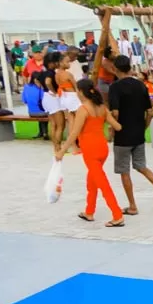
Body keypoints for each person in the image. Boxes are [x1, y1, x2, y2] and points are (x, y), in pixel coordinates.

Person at [55, 79, 125, 228]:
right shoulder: (102, 107)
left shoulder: (83, 109)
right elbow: (118, 127)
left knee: (102, 183)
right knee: (92, 180)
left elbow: (74, 133)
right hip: (102, 148)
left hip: (90, 150)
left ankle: (117, 215)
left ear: (81, 92)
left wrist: (62, 150)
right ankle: (89, 211)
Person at [108, 55, 153, 216]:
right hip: (138, 134)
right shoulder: (141, 85)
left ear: (115, 69)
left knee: (124, 171)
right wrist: (144, 127)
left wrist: (112, 128)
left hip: (123, 135)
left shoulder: (115, 87)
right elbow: (150, 111)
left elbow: (115, 113)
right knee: (141, 166)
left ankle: (132, 206)